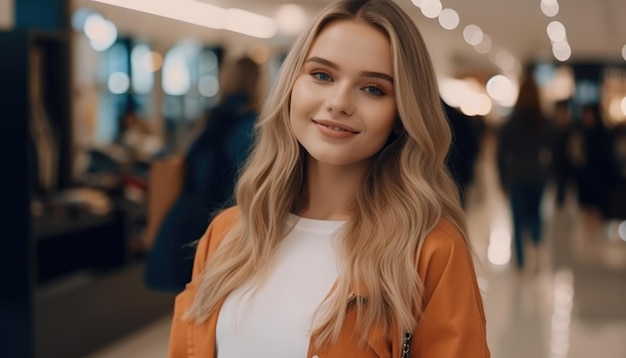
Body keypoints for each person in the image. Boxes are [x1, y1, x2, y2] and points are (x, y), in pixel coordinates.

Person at [169, 0, 489, 357]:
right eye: (322, 75)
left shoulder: (430, 250)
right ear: (291, 86)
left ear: (401, 114)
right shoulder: (229, 235)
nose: (339, 102)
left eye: (373, 89)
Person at [144, 56, 260, 292]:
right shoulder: (252, 126)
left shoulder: (210, 119)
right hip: (222, 224)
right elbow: (247, 182)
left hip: (185, 218)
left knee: (189, 303)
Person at [497, 70, 554, 273]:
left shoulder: (511, 123)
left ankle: (521, 263)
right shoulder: (543, 122)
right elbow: (552, 150)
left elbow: (501, 155)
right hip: (537, 174)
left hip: (517, 176)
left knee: (518, 220)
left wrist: (502, 180)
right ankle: (536, 252)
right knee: (536, 216)